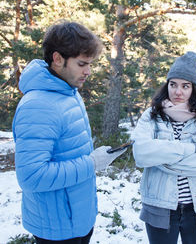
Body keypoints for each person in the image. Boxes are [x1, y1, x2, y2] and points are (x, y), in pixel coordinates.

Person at [12, 21, 127, 244]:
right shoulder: (38, 105)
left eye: (90, 64)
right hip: (57, 228)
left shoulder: (68, 92)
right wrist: (92, 163)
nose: (88, 71)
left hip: (78, 218)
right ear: (57, 59)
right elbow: (32, 176)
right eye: (82, 64)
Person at [131, 51, 196, 244]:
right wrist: (191, 150)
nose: (178, 92)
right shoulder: (152, 116)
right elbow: (141, 154)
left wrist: (163, 159)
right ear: (167, 86)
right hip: (159, 205)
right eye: (173, 85)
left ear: (194, 89)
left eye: (185, 86)